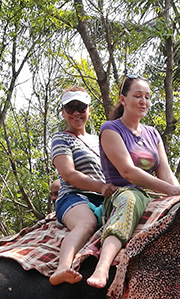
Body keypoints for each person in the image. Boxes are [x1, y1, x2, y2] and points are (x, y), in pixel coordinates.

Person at [88, 75, 180, 289]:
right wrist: (169, 189)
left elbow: (166, 172)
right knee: (130, 201)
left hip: (154, 194)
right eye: (137, 96)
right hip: (124, 193)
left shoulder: (153, 134)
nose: (144, 101)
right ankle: (103, 266)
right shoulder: (110, 129)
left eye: (147, 97)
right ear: (123, 99)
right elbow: (128, 172)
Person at [49, 87, 116, 285]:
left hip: (105, 198)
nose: (76, 113)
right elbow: (68, 174)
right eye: (70, 108)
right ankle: (62, 268)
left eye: (81, 107)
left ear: (89, 109)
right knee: (87, 224)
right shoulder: (60, 138)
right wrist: (101, 187)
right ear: (63, 112)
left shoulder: (100, 140)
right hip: (75, 196)